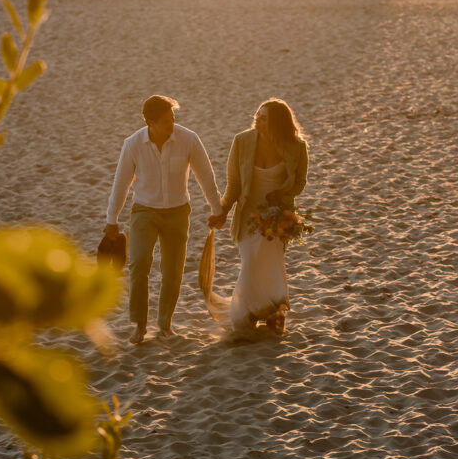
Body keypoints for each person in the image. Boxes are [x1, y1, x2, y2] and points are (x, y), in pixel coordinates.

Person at [104, 95, 223, 344]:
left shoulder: (188, 139)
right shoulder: (133, 144)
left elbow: (206, 176)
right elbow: (121, 183)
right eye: (167, 121)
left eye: (173, 119)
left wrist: (216, 209)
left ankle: (165, 324)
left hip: (178, 212)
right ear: (151, 122)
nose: (172, 125)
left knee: (173, 271)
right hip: (144, 211)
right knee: (139, 264)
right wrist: (112, 218)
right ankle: (139, 325)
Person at [209, 99, 308, 336]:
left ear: (277, 123)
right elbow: (233, 185)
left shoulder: (296, 147)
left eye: (264, 118)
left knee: (272, 266)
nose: (258, 121)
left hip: (277, 217)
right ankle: (245, 314)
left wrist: (282, 194)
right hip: (247, 216)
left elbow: (300, 183)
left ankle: (275, 313)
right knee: (251, 263)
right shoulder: (242, 141)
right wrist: (221, 211)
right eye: (257, 116)